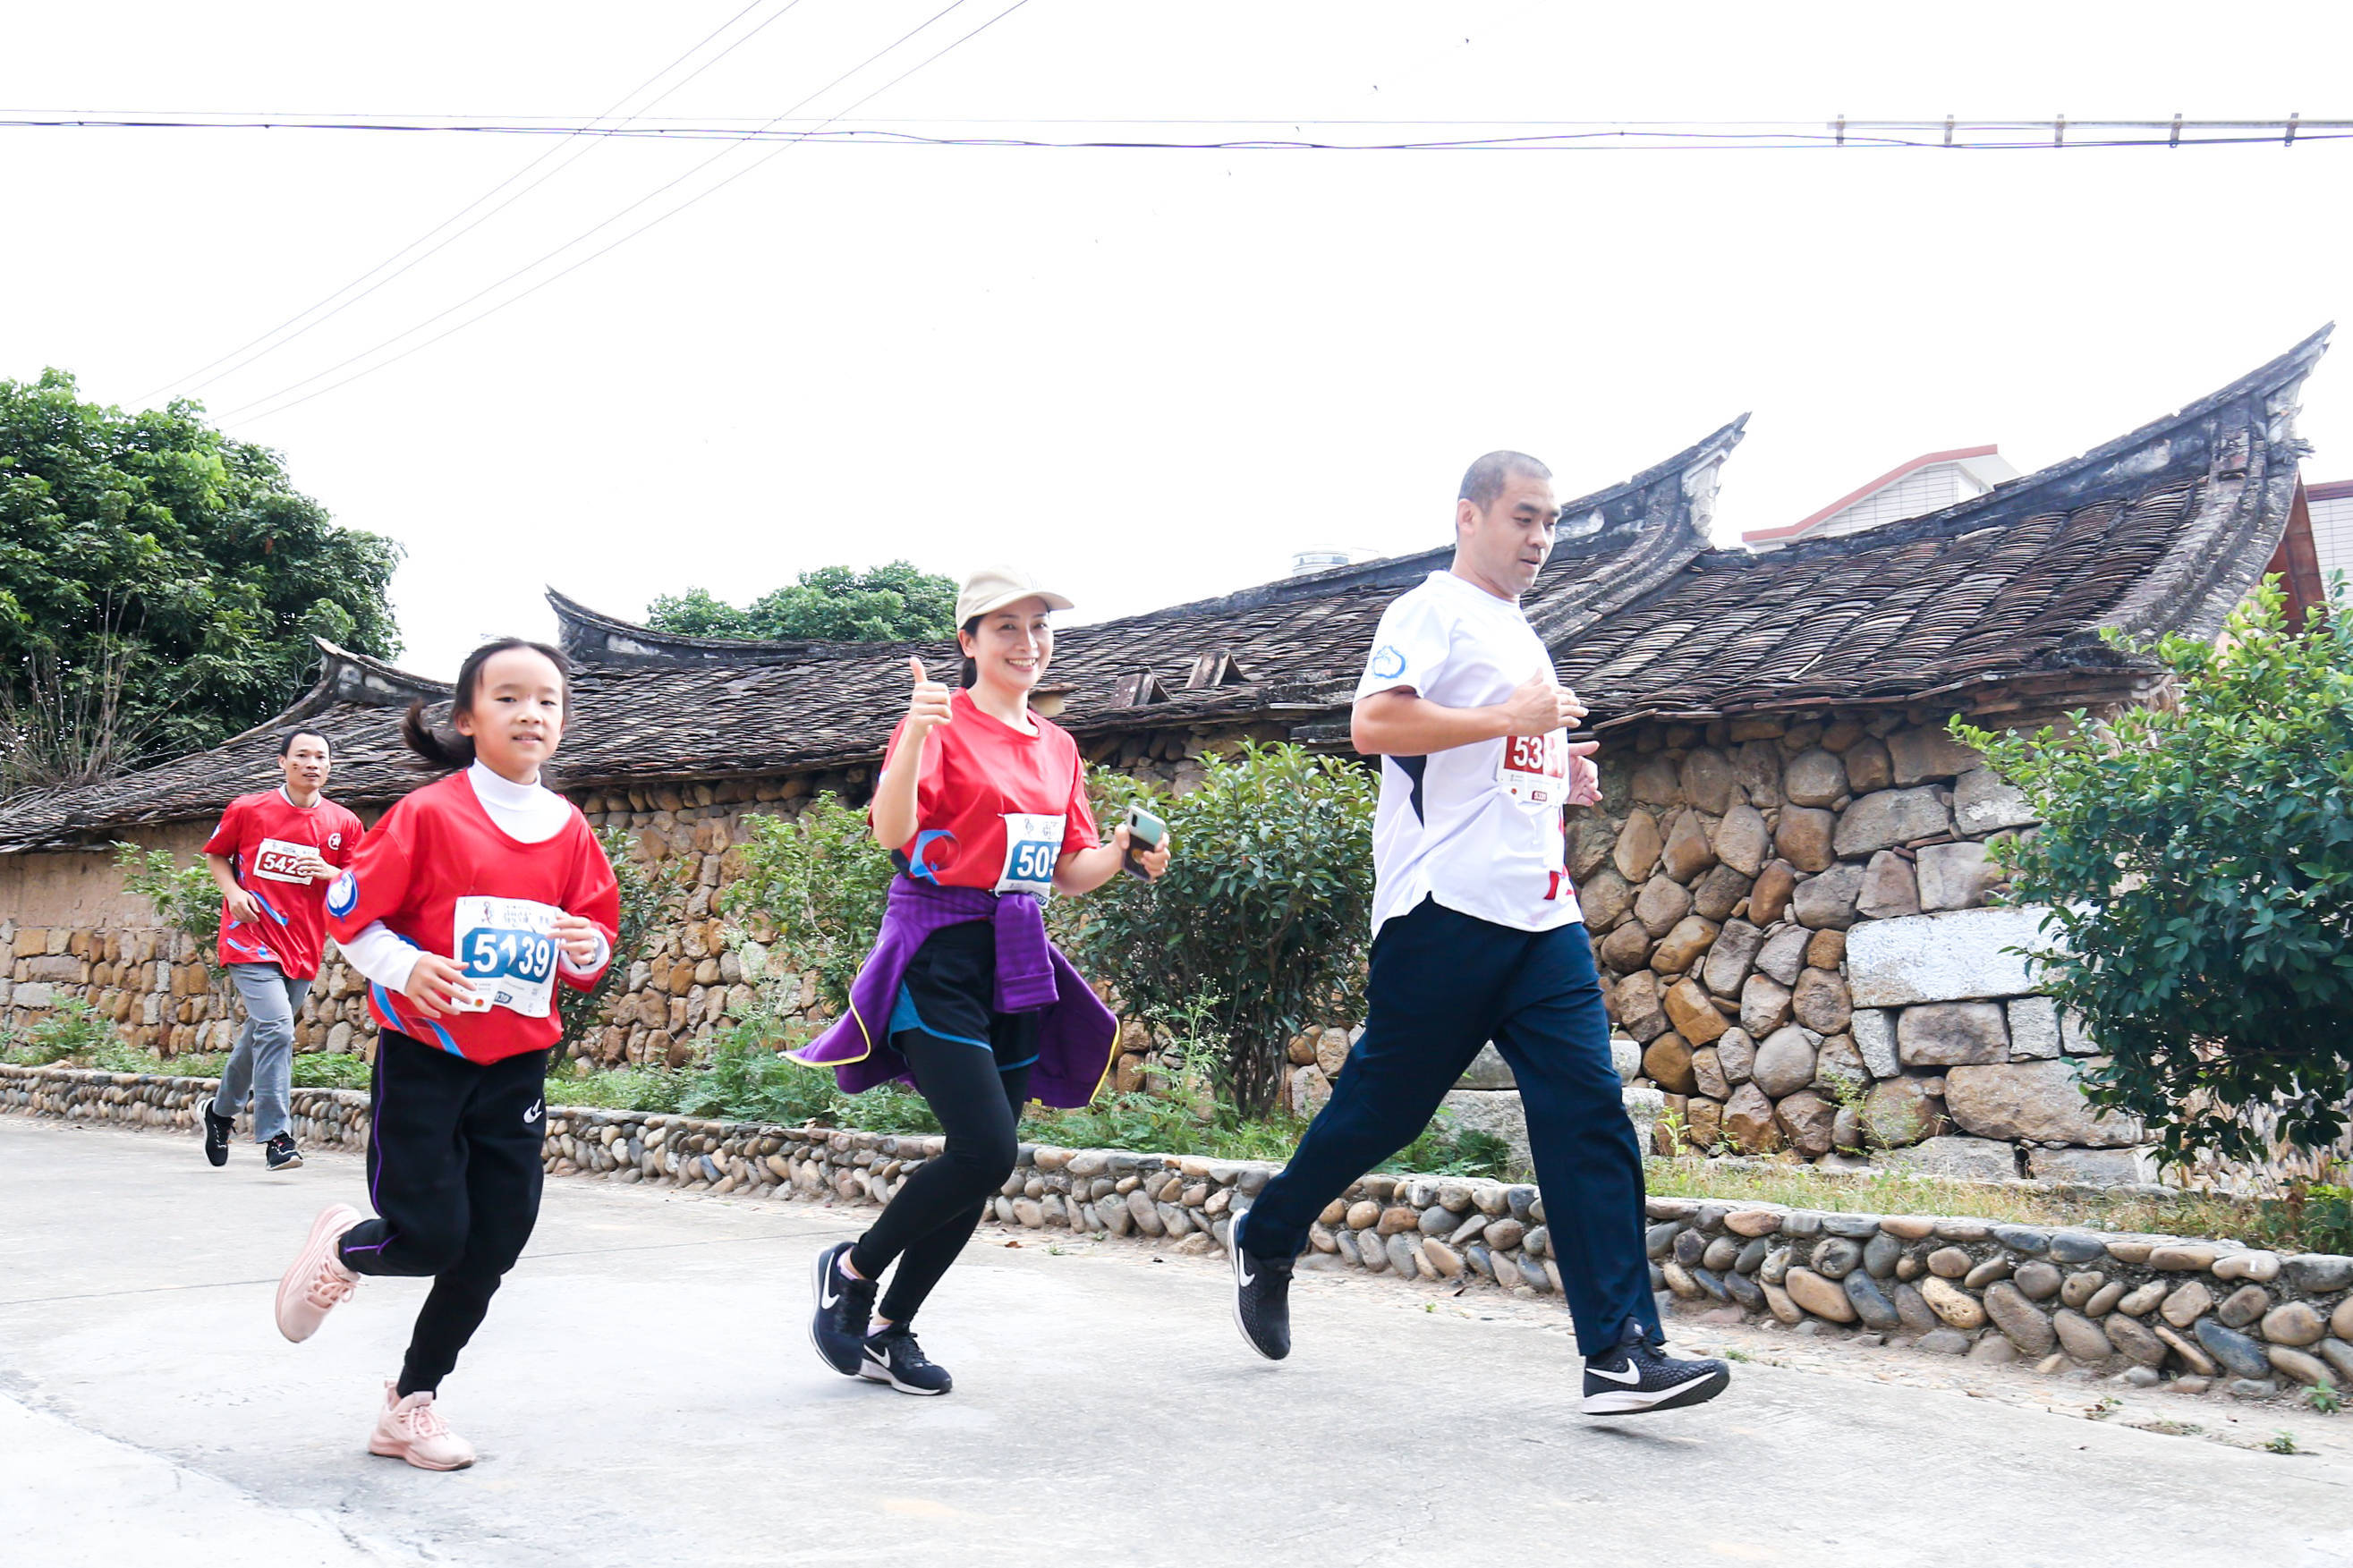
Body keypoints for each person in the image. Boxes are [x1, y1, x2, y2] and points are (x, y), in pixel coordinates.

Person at [1227, 452, 1730, 1417]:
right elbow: (1374, 723)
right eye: (1523, 518)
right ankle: (1269, 1229)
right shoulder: (1428, 608)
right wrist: (1510, 717)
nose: (1539, 539)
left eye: (1549, 522)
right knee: (1387, 1108)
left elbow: (1494, 752)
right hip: (1442, 907)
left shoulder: (1519, 631)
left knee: (1589, 1111)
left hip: (1538, 916)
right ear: (1469, 516)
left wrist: (1553, 768)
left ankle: (1620, 1352)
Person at [795, 567, 1171, 1396]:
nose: (1028, 643)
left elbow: (1068, 869)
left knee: (985, 1163)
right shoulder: (937, 722)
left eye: (1040, 627)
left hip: (1017, 953)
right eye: (1006, 627)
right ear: (967, 641)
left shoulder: (1059, 745)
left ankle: (892, 1329)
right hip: (936, 946)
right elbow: (891, 832)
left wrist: (1126, 853)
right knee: (985, 1146)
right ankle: (852, 1271)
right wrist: (915, 738)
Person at [270, 639, 619, 1471]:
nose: (531, 712)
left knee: (495, 1240)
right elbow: (352, 916)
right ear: (466, 717)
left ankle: (411, 1403)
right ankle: (346, 1248)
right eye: (508, 697)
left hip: (517, 1066)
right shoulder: (429, 813)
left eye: (548, 700)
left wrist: (581, 947)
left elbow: (595, 941)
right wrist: (408, 966)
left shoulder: (569, 829)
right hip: (427, 1057)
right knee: (429, 1237)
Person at [198, 728, 364, 1172]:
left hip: (303, 944)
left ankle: (219, 1113)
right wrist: (232, 891)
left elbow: (360, 879)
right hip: (248, 936)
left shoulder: (344, 823)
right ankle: (277, 1137)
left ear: (330, 766)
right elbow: (218, 855)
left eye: (321, 757)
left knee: (263, 1033)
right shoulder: (249, 809)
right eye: (303, 755)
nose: (313, 764)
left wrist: (330, 872)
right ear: (282, 762)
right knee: (278, 1029)